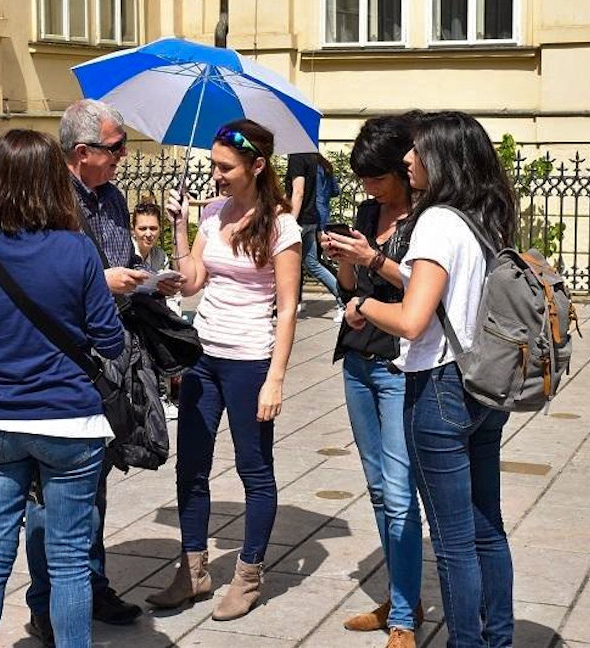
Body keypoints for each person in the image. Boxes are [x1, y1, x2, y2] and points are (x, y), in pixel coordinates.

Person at [0, 129, 125, 648]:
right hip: (69, 421)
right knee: (68, 562)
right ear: (53, 182)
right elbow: (110, 342)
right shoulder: (78, 251)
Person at [343, 111, 519, 648]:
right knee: (487, 525)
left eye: (415, 151)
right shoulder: (486, 214)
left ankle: (466, 641)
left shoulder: (438, 220)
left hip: (439, 388)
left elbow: (412, 320)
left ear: (441, 158)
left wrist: (363, 305)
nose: (407, 160)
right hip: (484, 383)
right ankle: (499, 639)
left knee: (453, 542)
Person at [23, 98, 182, 639]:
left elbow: (125, 263)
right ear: (82, 151)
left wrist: (149, 278)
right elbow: (39, 283)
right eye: (115, 148)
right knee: (52, 490)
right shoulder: (46, 202)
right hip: (64, 359)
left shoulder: (112, 197)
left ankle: (90, 584)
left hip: (112, 354)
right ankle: (44, 600)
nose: (123, 156)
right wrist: (100, 280)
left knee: (96, 476)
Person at [151, 119, 301, 620]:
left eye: (224, 168)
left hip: (250, 360)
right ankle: (192, 571)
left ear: (257, 167)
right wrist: (178, 229)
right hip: (204, 356)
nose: (214, 176)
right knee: (190, 464)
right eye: (213, 165)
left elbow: (288, 306)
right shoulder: (213, 214)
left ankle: (249, 574)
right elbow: (193, 281)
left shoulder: (281, 226)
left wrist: (275, 378)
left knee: (254, 471)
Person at [321, 116, 422, 646]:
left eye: (376, 178)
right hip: (359, 361)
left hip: (399, 366)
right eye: (363, 179)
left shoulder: (425, 218)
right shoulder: (366, 211)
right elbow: (351, 289)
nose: (368, 188)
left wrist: (373, 258)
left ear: (402, 170)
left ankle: (404, 617)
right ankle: (402, 595)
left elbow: (419, 287)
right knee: (380, 490)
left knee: (402, 494)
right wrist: (344, 261)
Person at [131, 200, 182, 420]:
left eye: (153, 228)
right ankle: (161, 394)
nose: (148, 234)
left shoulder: (160, 256)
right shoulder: (127, 251)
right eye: (143, 228)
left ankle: (166, 392)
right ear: (133, 230)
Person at [285, 151, 345, 320]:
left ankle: (285, 304)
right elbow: (333, 190)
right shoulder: (316, 160)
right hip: (314, 218)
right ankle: (343, 300)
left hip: (301, 219)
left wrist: (290, 221)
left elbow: (298, 192)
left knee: (284, 263)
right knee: (311, 263)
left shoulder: (297, 157)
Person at [313, 153, 340, 229]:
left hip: (315, 211)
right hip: (325, 209)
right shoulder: (326, 167)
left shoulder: (314, 169)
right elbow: (336, 191)